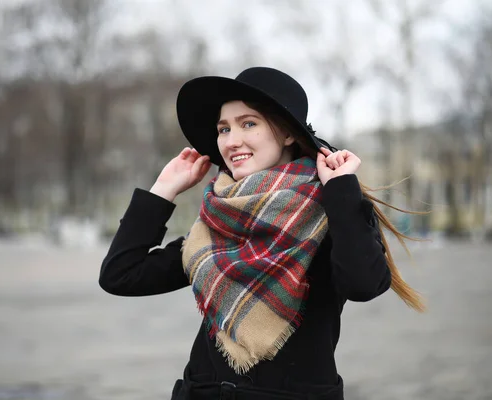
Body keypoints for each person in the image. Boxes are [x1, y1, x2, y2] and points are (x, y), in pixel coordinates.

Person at [99, 67, 425, 400]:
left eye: (248, 123)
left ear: (286, 134)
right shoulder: (215, 226)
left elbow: (363, 284)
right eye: (223, 129)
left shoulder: (330, 217)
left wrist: (341, 191)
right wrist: (163, 190)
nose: (231, 140)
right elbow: (121, 275)